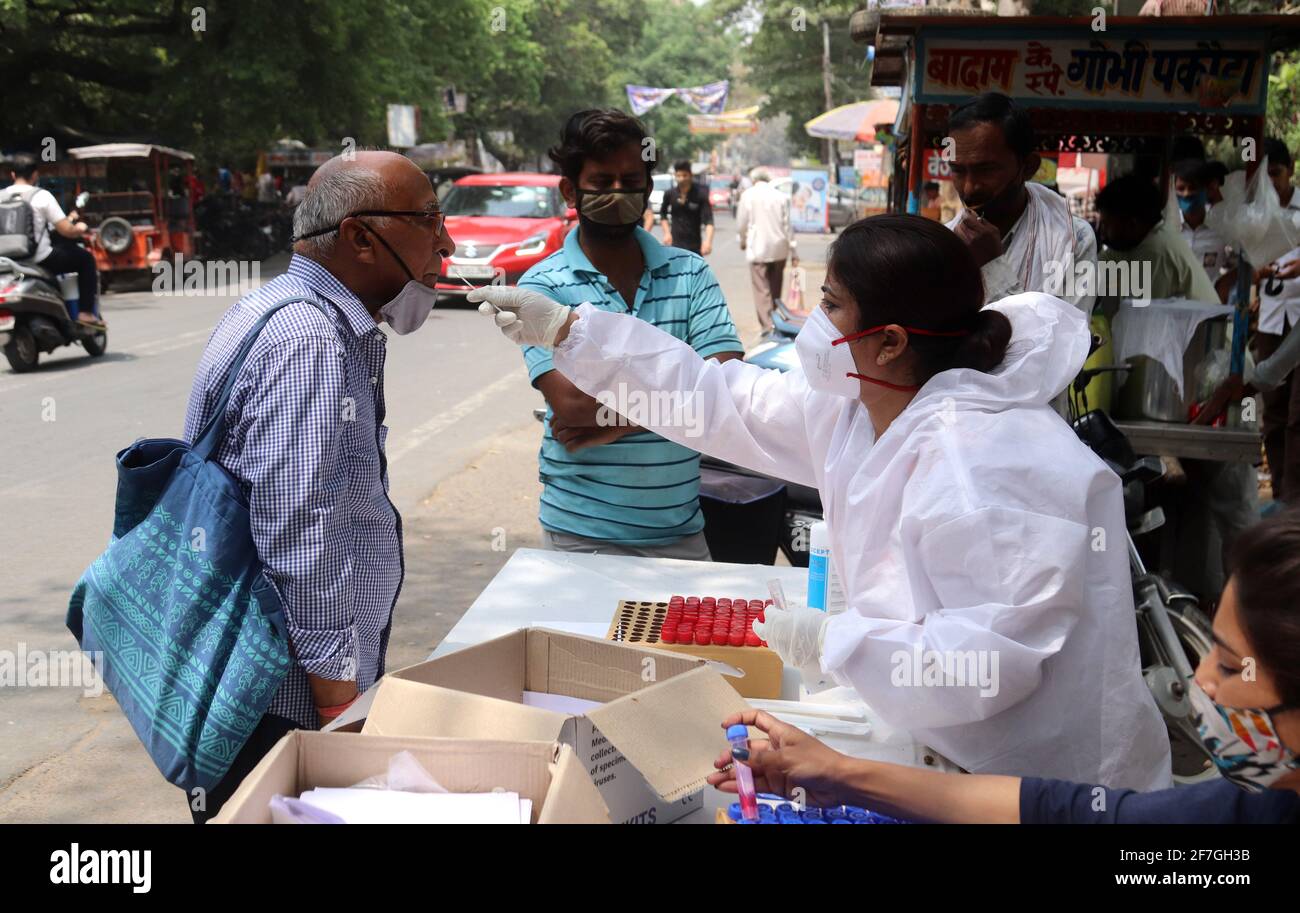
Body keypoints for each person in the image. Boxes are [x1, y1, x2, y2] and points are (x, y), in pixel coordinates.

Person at [472, 214, 1171, 790]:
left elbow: (988, 663)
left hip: (1044, 778)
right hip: (942, 748)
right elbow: (720, 400)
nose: (813, 321)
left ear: (892, 341)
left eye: (831, 304)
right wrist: (571, 332)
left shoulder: (982, 464)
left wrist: (830, 641)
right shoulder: (864, 405)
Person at [710, 507, 1300, 824]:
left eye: (1229, 665)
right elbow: (1062, 813)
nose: (1199, 682)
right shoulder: (1251, 808)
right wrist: (839, 773)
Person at [181, 151, 454, 821]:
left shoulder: (290, 311)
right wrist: (341, 707)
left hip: (274, 689)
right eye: (428, 220)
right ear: (361, 236)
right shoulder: (307, 339)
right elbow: (303, 533)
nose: (445, 243)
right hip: (282, 705)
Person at [506, 109, 743, 558]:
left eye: (630, 180)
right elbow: (573, 406)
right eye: (602, 181)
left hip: (681, 533)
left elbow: (727, 389)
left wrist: (612, 423)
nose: (618, 192)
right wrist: (681, 392)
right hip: (580, 536)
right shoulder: (543, 288)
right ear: (570, 191)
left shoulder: (690, 274)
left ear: (649, 188)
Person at [945, 92, 1097, 313]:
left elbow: (1065, 341)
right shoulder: (944, 241)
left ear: (1027, 167)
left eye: (985, 170)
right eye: (958, 171)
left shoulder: (1074, 240)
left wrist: (992, 267)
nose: (969, 188)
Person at [1253, 138, 1300, 505]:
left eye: (1277, 174)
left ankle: (1292, 496)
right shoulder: (1258, 216)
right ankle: (1281, 493)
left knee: (1297, 417)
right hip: (1270, 318)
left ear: (1291, 171)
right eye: (1265, 176)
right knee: (1273, 412)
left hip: (1298, 318)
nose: (1272, 182)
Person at [4, 157, 102, 326]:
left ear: (12, 174)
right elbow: (66, 230)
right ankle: (85, 313)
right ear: (35, 175)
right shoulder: (41, 196)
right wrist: (79, 228)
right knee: (86, 260)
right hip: (39, 259)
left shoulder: (0, 196)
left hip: (6, 262)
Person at [736, 170, 798, 334]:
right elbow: (787, 226)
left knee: (761, 289)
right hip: (780, 248)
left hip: (758, 248)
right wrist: (794, 251)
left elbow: (742, 223)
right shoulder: (780, 196)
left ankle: (767, 325)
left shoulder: (748, 195)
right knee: (775, 287)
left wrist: (742, 241)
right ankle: (776, 320)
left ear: (754, 180)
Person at [1174, 158, 1235, 303]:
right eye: (1181, 188)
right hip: (1171, 309)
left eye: (1193, 187)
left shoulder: (1222, 224)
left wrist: (1224, 284)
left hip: (1208, 309)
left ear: (1208, 188)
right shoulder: (1169, 225)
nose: (1186, 194)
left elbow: (1246, 262)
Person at [659, 159, 714, 256]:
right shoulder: (670, 194)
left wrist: (708, 242)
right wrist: (667, 233)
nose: (681, 179)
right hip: (675, 245)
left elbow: (709, 220)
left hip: (695, 246)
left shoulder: (700, 195)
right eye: (678, 176)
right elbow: (663, 214)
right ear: (675, 176)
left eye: (685, 175)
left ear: (690, 175)